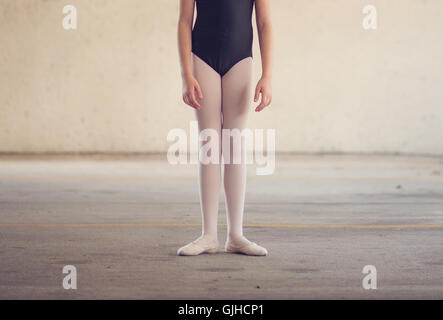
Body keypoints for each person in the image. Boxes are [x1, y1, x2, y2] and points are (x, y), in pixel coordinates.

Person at [177, 0, 273, 256]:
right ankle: (208, 235)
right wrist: (187, 75)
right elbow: (185, 21)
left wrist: (268, 75)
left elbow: (264, 22)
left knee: (234, 147)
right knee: (209, 145)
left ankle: (236, 235)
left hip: (240, 59)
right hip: (203, 59)